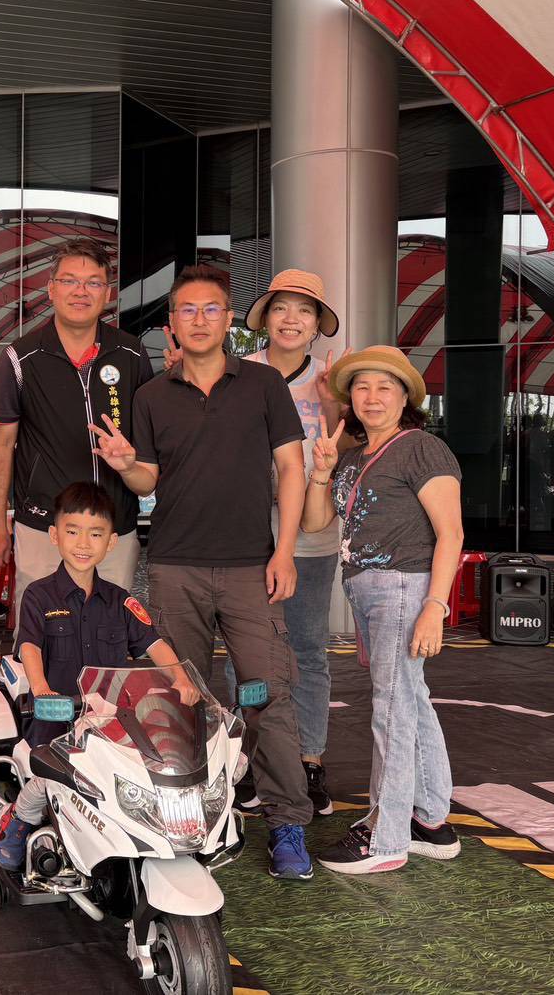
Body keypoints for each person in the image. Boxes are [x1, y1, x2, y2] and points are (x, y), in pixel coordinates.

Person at [89, 264, 316, 881]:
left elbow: (292, 471)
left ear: (229, 320)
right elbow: (147, 482)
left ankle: (288, 823)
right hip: (174, 566)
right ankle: (185, 820)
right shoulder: (150, 397)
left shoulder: (264, 385)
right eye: (186, 311)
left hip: (251, 567)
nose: (198, 320)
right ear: (171, 324)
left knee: (268, 696)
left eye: (210, 309)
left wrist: (285, 550)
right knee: (181, 698)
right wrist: (125, 462)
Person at [302, 346, 463, 874]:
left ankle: (386, 837)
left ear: (405, 398)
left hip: (403, 588)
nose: (372, 397)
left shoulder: (422, 449)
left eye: (385, 387)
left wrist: (434, 606)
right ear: (350, 397)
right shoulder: (353, 456)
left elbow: (451, 533)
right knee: (410, 701)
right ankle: (428, 820)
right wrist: (322, 472)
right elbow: (315, 524)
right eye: (363, 387)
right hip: (370, 592)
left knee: (392, 710)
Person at [0, 481, 197, 870]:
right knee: (51, 779)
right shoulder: (39, 595)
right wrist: (42, 689)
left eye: (96, 533)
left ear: (111, 542)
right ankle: (17, 819)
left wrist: (181, 679)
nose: (83, 543)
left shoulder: (121, 601)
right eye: (72, 531)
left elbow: (154, 644)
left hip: (111, 723)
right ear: (54, 536)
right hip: (55, 722)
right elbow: (30, 646)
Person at [0, 240, 153, 621]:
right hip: (44, 527)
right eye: (70, 281)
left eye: (93, 283)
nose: (81, 291)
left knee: (109, 633)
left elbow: (148, 437)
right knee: (40, 637)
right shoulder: (21, 357)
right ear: (51, 288)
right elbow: (2, 444)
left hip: (114, 530)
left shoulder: (131, 355)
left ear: (107, 293)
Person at [237, 270, 346, 817]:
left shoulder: (331, 379)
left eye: (304, 311)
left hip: (310, 530)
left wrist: (331, 406)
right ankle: (251, 762)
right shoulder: (239, 371)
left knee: (306, 649)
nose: (291, 320)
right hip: (246, 527)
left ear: (317, 325)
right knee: (249, 654)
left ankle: (309, 762)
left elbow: (339, 446)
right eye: (282, 308)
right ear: (266, 316)